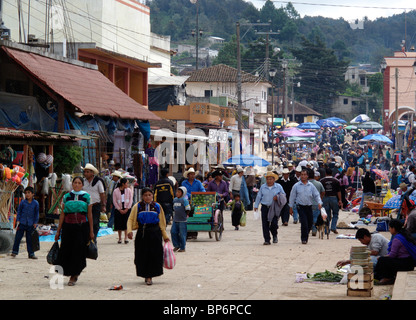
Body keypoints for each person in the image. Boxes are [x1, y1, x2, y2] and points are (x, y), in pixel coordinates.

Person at [55, 177, 94, 286]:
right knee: (67, 249)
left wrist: (91, 231)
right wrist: (58, 230)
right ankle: (69, 272)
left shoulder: (87, 197)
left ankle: (74, 275)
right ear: (72, 184)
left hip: (81, 228)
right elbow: (62, 214)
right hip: (68, 227)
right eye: (75, 183)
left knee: (79, 250)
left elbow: (89, 214)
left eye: (79, 183)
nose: (77, 185)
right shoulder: (66, 197)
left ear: (82, 185)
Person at [127, 187, 170, 285]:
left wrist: (165, 236)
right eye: (145, 195)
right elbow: (130, 219)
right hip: (142, 233)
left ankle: (150, 276)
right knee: (142, 255)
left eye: (149, 195)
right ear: (142, 196)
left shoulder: (157, 206)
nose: (147, 197)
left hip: (155, 233)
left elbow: (162, 222)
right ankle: (146, 275)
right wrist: (129, 231)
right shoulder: (137, 206)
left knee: (154, 254)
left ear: (152, 196)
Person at [374, 219, 416, 285]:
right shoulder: (404, 235)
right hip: (409, 262)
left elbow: (392, 255)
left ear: (393, 228)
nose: (389, 229)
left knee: (382, 260)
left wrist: (382, 257)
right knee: (383, 260)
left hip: (405, 263)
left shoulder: (397, 239)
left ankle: (387, 278)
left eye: (390, 228)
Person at [289, 169, 323, 244]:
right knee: (304, 222)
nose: (303, 176)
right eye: (302, 175)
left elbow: (316, 195)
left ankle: (306, 234)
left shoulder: (311, 186)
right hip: (300, 206)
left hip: (309, 206)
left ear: (307, 176)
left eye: (305, 175)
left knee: (310, 223)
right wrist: (291, 207)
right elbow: (292, 197)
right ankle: (304, 238)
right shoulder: (296, 186)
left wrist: (319, 203)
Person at [254, 171, 286, 245]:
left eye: (270, 179)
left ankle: (275, 235)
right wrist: (256, 206)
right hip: (265, 207)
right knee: (265, 224)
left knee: (274, 223)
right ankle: (267, 239)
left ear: (274, 179)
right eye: (267, 179)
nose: (269, 181)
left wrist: (277, 197)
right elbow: (259, 196)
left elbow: (283, 195)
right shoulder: (263, 187)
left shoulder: (278, 187)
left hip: (274, 208)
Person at [11, 186, 39, 259]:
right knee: (18, 238)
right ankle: (14, 251)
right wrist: (18, 220)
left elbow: (36, 214)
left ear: (33, 194)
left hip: (30, 224)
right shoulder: (23, 202)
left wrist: (35, 222)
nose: (27, 194)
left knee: (29, 240)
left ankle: (31, 254)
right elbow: (19, 211)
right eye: (26, 193)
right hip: (22, 223)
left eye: (29, 193)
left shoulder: (36, 203)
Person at [82, 163, 106, 242]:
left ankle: (93, 238)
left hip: (95, 205)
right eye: (85, 172)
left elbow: (102, 194)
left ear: (92, 173)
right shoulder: (83, 181)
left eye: (87, 172)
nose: (86, 173)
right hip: (85, 205)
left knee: (95, 223)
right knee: (86, 222)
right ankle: (87, 238)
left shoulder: (98, 181)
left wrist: (103, 205)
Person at [320, 168, 342, 234]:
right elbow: (338, 191)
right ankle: (333, 227)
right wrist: (340, 200)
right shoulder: (336, 181)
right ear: (332, 173)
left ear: (325, 173)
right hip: (334, 198)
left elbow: (321, 192)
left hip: (325, 198)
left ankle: (326, 230)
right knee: (335, 213)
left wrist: (320, 200)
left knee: (327, 215)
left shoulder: (322, 181)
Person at [112, 178, 133, 244]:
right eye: (126, 183)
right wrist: (119, 209)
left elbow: (131, 200)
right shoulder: (115, 191)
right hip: (118, 209)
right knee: (119, 224)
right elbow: (114, 201)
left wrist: (127, 208)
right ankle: (120, 238)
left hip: (127, 208)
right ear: (123, 184)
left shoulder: (129, 190)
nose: (127, 184)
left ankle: (126, 238)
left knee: (126, 223)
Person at [171, 186, 191, 252]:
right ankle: (176, 245)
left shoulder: (184, 200)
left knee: (182, 234)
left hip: (182, 220)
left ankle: (182, 247)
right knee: (173, 232)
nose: (177, 193)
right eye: (177, 192)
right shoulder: (175, 200)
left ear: (183, 193)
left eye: (179, 192)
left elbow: (188, 209)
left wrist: (186, 215)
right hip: (175, 220)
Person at [308, 170, 325, 237]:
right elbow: (323, 192)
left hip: (307, 203)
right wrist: (320, 198)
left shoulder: (305, 184)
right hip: (316, 203)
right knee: (315, 217)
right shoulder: (318, 183)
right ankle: (314, 229)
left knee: (308, 217)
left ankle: (309, 228)